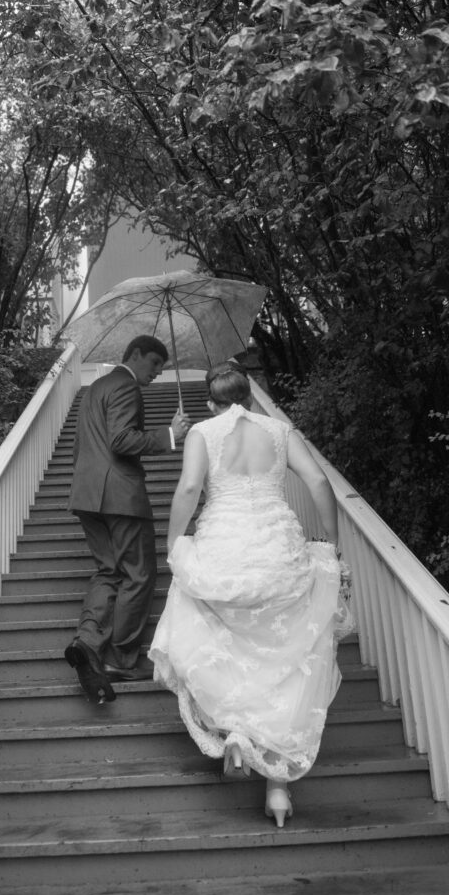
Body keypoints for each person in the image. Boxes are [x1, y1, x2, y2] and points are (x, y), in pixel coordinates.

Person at [149, 365, 354, 826]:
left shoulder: (204, 431)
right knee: (281, 655)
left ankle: (236, 732)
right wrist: (331, 545)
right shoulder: (279, 430)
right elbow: (319, 483)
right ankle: (278, 787)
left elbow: (188, 488)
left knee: (226, 642)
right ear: (249, 396)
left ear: (209, 401)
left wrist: (173, 542)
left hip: (224, 547)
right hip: (278, 551)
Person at [65, 335, 192, 704]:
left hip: (88, 494)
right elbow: (121, 440)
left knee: (109, 572)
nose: (157, 372)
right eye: (154, 363)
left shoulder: (96, 388)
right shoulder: (125, 387)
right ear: (133, 354)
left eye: (161, 368)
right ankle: (121, 658)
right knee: (138, 573)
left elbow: (84, 444)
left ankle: (87, 643)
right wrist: (170, 434)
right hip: (119, 494)